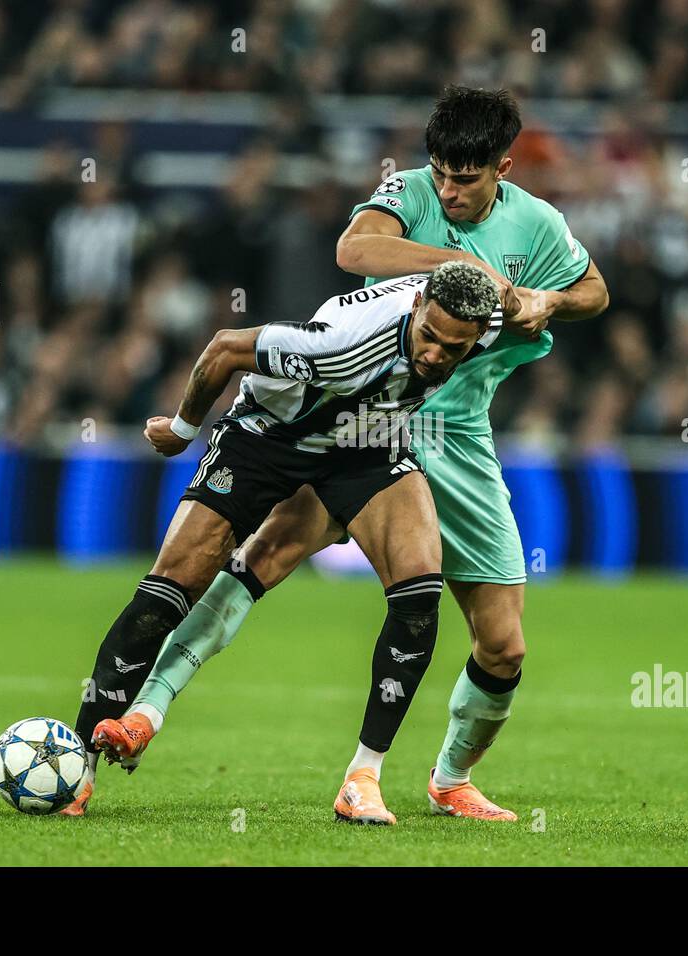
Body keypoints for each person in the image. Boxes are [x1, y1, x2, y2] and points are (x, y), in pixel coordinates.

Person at [73, 86, 609, 823]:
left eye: (466, 178)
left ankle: (450, 780)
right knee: (254, 564)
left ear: (503, 169)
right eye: (441, 173)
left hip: (460, 435)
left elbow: (593, 291)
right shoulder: (410, 195)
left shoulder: (538, 224)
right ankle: (145, 712)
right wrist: (460, 267)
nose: (448, 189)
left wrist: (549, 302)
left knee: (504, 645)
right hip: (365, 421)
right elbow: (353, 249)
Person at [74, 262, 501, 824]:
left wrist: (549, 302)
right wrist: (181, 429)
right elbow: (226, 348)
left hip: (366, 442)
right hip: (266, 440)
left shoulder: (487, 318)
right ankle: (78, 764)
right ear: (417, 305)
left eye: (455, 348)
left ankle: (362, 778)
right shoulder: (345, 347)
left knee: (419, 594)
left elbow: (532, 304)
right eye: (429, 338)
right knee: (168, 590)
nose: (437, 357)